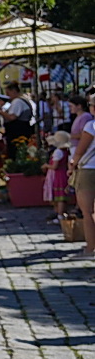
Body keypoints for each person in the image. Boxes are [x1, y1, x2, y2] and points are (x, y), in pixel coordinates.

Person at [73, 91, 95, 257]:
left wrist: (72, 164)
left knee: (88, 212)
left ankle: (91, 248)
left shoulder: (91, 126)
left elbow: (80, 150)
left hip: (89, 169)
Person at [46, 130, 73, 220]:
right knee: (63, 196)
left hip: (58, 175)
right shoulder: (66, 151)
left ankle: (60, 215)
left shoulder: (58, 152)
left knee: (59, 196)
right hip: (64, 173)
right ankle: (61, 212)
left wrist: (46, 166)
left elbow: (55, 166)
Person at [2, 82, 35, 148]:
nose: (7, 95)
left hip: (18, 131)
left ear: (13, 91)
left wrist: (0, 112)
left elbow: (12, 117)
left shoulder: (17, 101)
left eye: (8, 93)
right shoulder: (23, 100)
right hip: (24, 128)